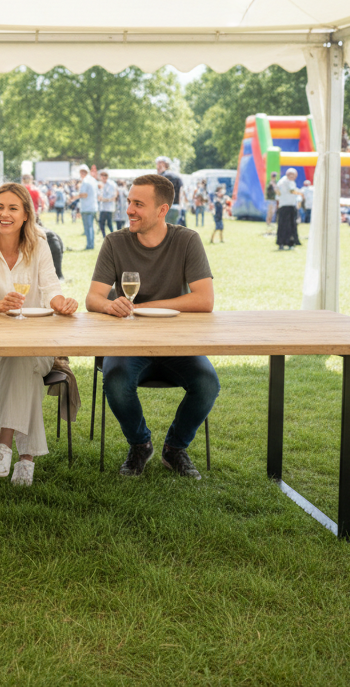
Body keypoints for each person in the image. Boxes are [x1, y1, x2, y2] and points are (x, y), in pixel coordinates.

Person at [86, 174, 217, 479]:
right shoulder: (115, 242)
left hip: (177, 343)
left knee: (207, 383)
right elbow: (93, 297)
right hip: (128, 344)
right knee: (115, 380)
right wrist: (109, 305)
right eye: (129, 202)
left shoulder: (187, 240)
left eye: (138, 204)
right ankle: (140, 445)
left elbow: (204, 299)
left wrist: (143, 308)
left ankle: (175, 448)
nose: (129, 210)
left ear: (162, 210)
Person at [0, 182, 78, 486]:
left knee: (23, 355)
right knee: (21, 362)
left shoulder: (39, 246)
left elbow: (51, 289)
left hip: (37, 348)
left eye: (13, 208)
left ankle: (3, 444)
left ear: (26, 214)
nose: (4, 214)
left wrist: (61, 303)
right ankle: (26, 459)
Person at [276, 168, 301, 250]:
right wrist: (301, 193)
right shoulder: (290, 182)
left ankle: (281, 243)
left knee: (282, 225)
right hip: (290, 206)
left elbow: (277, 192)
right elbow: (292, 191)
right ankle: (290, 243)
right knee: (291, 225)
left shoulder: (281, 181)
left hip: (282, 206)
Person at [155, 157, 184, 226]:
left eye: (159, 164)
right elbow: (181, 191)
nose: (157, 166)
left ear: (164, 164)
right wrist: (180, 206)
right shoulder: (177, 176)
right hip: (175, 207)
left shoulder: (160, 177)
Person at [77, 165, 98, 250]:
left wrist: (76, 196)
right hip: (93, 206)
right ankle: (91, 244)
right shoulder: (93, 180)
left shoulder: (85, 181)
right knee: (90, 227)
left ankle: (89, 245)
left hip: (87, 207)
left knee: (88, 227)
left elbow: (84, 194)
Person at [98, 170, 117, 240]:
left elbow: (113, 196)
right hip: (102, 207)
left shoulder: (111, 184)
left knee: (109, 223)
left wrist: (104, 199)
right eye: (102, 175)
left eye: (105, 175)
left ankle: (113, 236)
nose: (103, 177)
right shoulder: (100, 184)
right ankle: (104, 236)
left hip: (109, 207)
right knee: (101, 223)